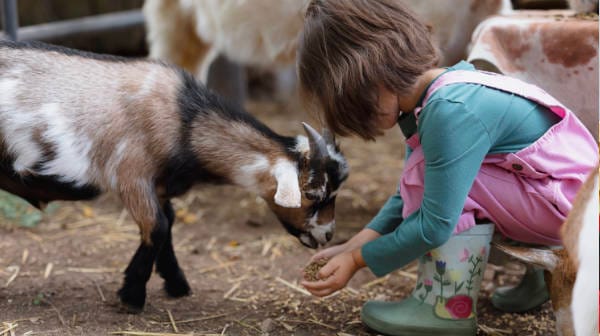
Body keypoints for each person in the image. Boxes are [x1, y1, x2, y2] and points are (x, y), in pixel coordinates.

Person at [296, 1, 599, 335]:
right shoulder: (447, 88)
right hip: (566, 200)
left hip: (576, 217)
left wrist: (358, 261)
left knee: (439, 186)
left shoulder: (449, 111)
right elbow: (405, 191)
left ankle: (444, 306)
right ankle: (541, 278)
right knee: (439, 177)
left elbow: (434, 223)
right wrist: (354, 244)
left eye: (352, 101)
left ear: (370, 73)